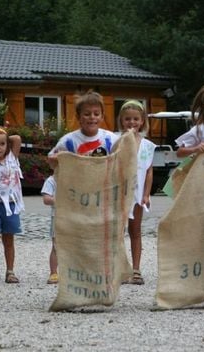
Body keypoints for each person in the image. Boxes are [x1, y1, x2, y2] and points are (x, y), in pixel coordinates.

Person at [117, 100, 156, 285]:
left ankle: (136, 268)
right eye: (127, 119)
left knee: (135, 231)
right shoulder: (115, 140)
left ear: (142, 121)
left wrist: (146, 194)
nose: (131, 123)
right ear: (121, 121)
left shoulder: (147, 145)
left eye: (135, 119)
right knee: (117, 232)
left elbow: (148, 171)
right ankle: (119, 267)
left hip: (137, 193)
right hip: (119, 193)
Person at [49, 90, 119, 159]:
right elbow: (51, 159)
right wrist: (56, 158)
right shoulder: (68, 141)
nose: (92, 117)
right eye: (87, 114)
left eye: (96, 114)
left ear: (102, 117)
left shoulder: (111, 139)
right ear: (78, 117)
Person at [0, 128, 23, 283]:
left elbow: (16, 138)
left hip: (10, 205)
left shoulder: (12, 157)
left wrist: (1, 133)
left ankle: (10, 271)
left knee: (9, 240)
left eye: (2, 144)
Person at [41, 173, 58, 284]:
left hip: (76, 217)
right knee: (56, 246)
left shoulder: (76, 177)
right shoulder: (51, 180)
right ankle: (53, 272)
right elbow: (46, 199)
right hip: (58, 216)